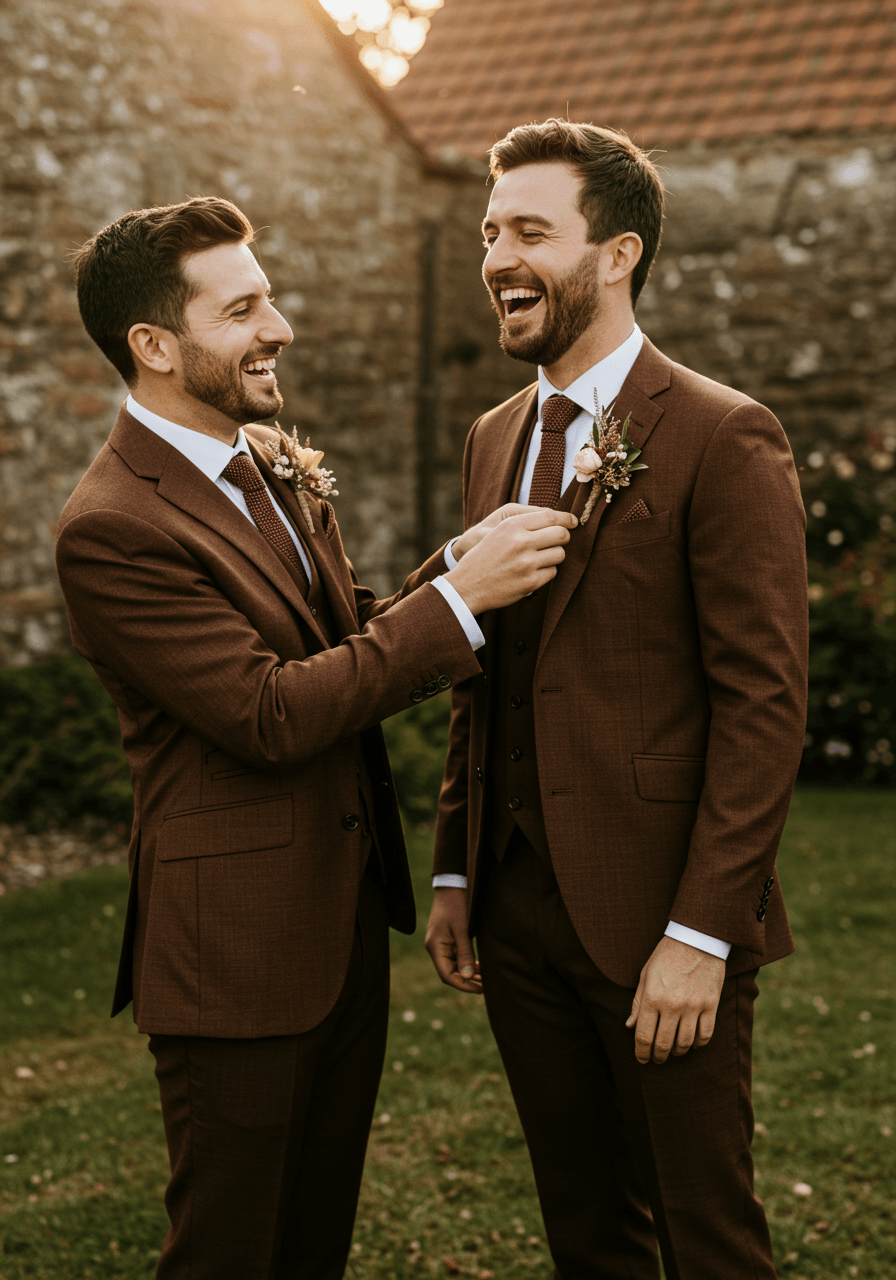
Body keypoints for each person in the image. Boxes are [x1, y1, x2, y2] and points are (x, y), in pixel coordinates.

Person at [55, 196, 576, 1280]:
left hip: (336, 927)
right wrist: (461, 605)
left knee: (310, 1246)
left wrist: (452, 568)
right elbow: (269, 711)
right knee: (228, 1251)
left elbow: (343, 635)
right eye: (242, 308)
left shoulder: (268, 465)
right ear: (154, 346)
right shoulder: (111, 526)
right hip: (232, 959)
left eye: (269, 296)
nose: (278, 325)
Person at [424, 121, 808, 1279]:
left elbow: (762, 704)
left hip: (657, 918)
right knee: (583, 1228)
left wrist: (699, 933)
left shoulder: (719, 432)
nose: (496, 255)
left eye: (529, 230)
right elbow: (481, 672)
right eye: (489, 230)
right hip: (516, 910)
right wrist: (454, 867)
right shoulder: (494, 437)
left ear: (617, 252)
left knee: (705, 1234)